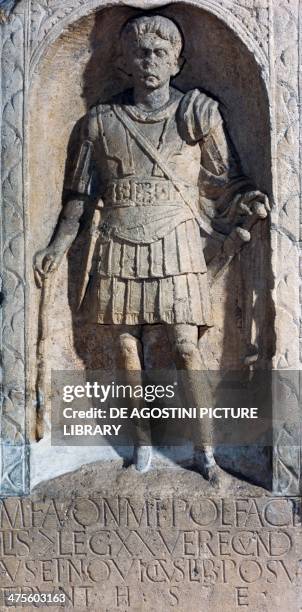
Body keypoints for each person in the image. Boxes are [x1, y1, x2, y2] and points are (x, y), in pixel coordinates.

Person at [34, 14, 269, 480]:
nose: (150, 61)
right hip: (118, 239)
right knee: (126, 346)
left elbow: (227, 181)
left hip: (177, 242)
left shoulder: (199, 113)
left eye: (160, 53)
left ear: (176, 61)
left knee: (185, 343)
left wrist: (249, 199)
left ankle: (206, 453)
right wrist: (57, 246)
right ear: (124, 62)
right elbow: (77, 199)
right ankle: (140, 445)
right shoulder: (98, 123)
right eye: (140, 52)